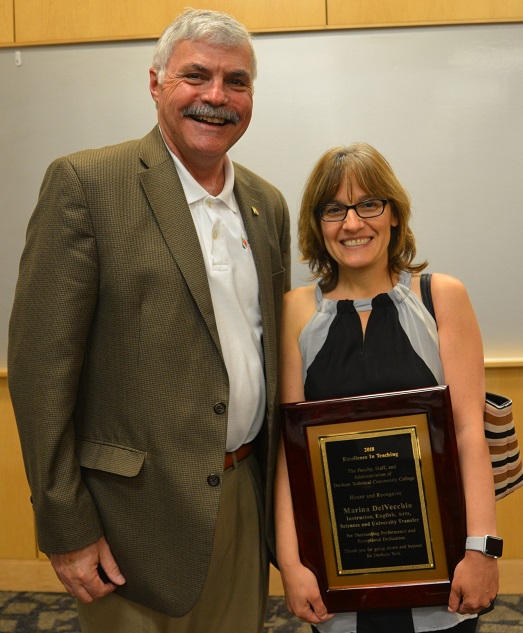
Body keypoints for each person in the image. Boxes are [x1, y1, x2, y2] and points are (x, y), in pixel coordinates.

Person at [8, 8, 290, 633]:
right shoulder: (87, 184)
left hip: (243, 497)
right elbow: (39, 371)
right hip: (128, 517)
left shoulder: (266, 206)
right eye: (196, 76)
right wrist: (65, 525)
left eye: (236, 81)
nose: (216, 97)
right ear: (157, 83)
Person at [274, 143, 499, 633]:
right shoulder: (295, 309)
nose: (352, 223)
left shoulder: (441, 297)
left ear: (394, 213)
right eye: (334, 209)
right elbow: (291, 457)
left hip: (441, 574)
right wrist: (291, 565)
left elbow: (468, 433)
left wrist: (482, 550)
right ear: (318, 223)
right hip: (340, 577)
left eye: (369, 204)